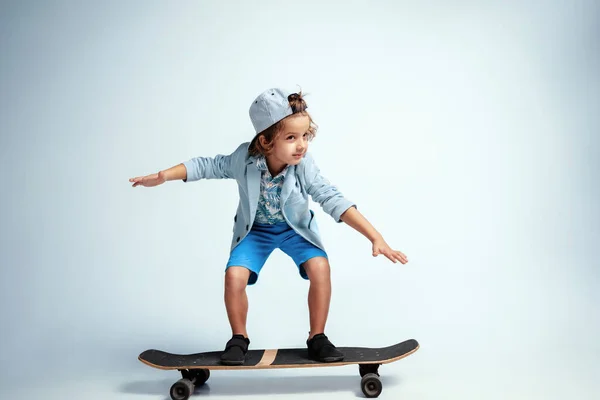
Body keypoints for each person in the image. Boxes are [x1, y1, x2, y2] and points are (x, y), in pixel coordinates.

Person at [129, 87, 408, 365]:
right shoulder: (244, 159)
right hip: (256, 233)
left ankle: (317, 338)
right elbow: (207, 165)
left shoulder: (303, 165)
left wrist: (376, 237)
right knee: (234, 277)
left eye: (305, 136)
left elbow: (332, 198)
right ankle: (239, 338)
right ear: (265, 141)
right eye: (291, 138)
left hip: (294, 231)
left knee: (320, 268)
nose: (301, 145)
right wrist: (164, 175)